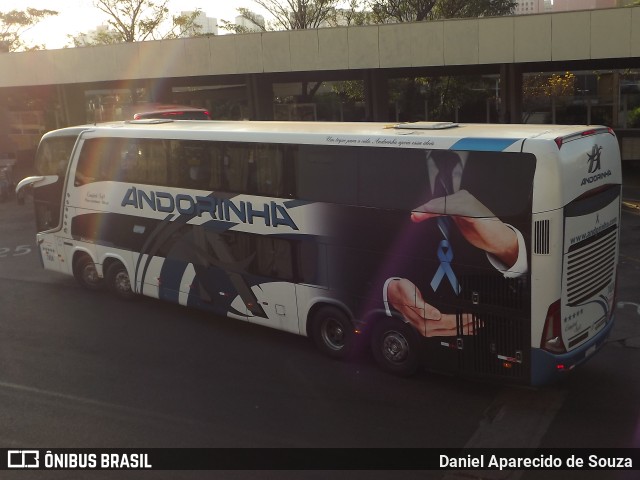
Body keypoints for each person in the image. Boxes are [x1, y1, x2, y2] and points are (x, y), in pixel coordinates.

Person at [382, 149, 533, 338]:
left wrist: (511, 247)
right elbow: (353, 241)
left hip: (501, 330)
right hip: (407, 335)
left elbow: (551, 250)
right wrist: (388, 289)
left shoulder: (521, 158)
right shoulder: (383, 158)